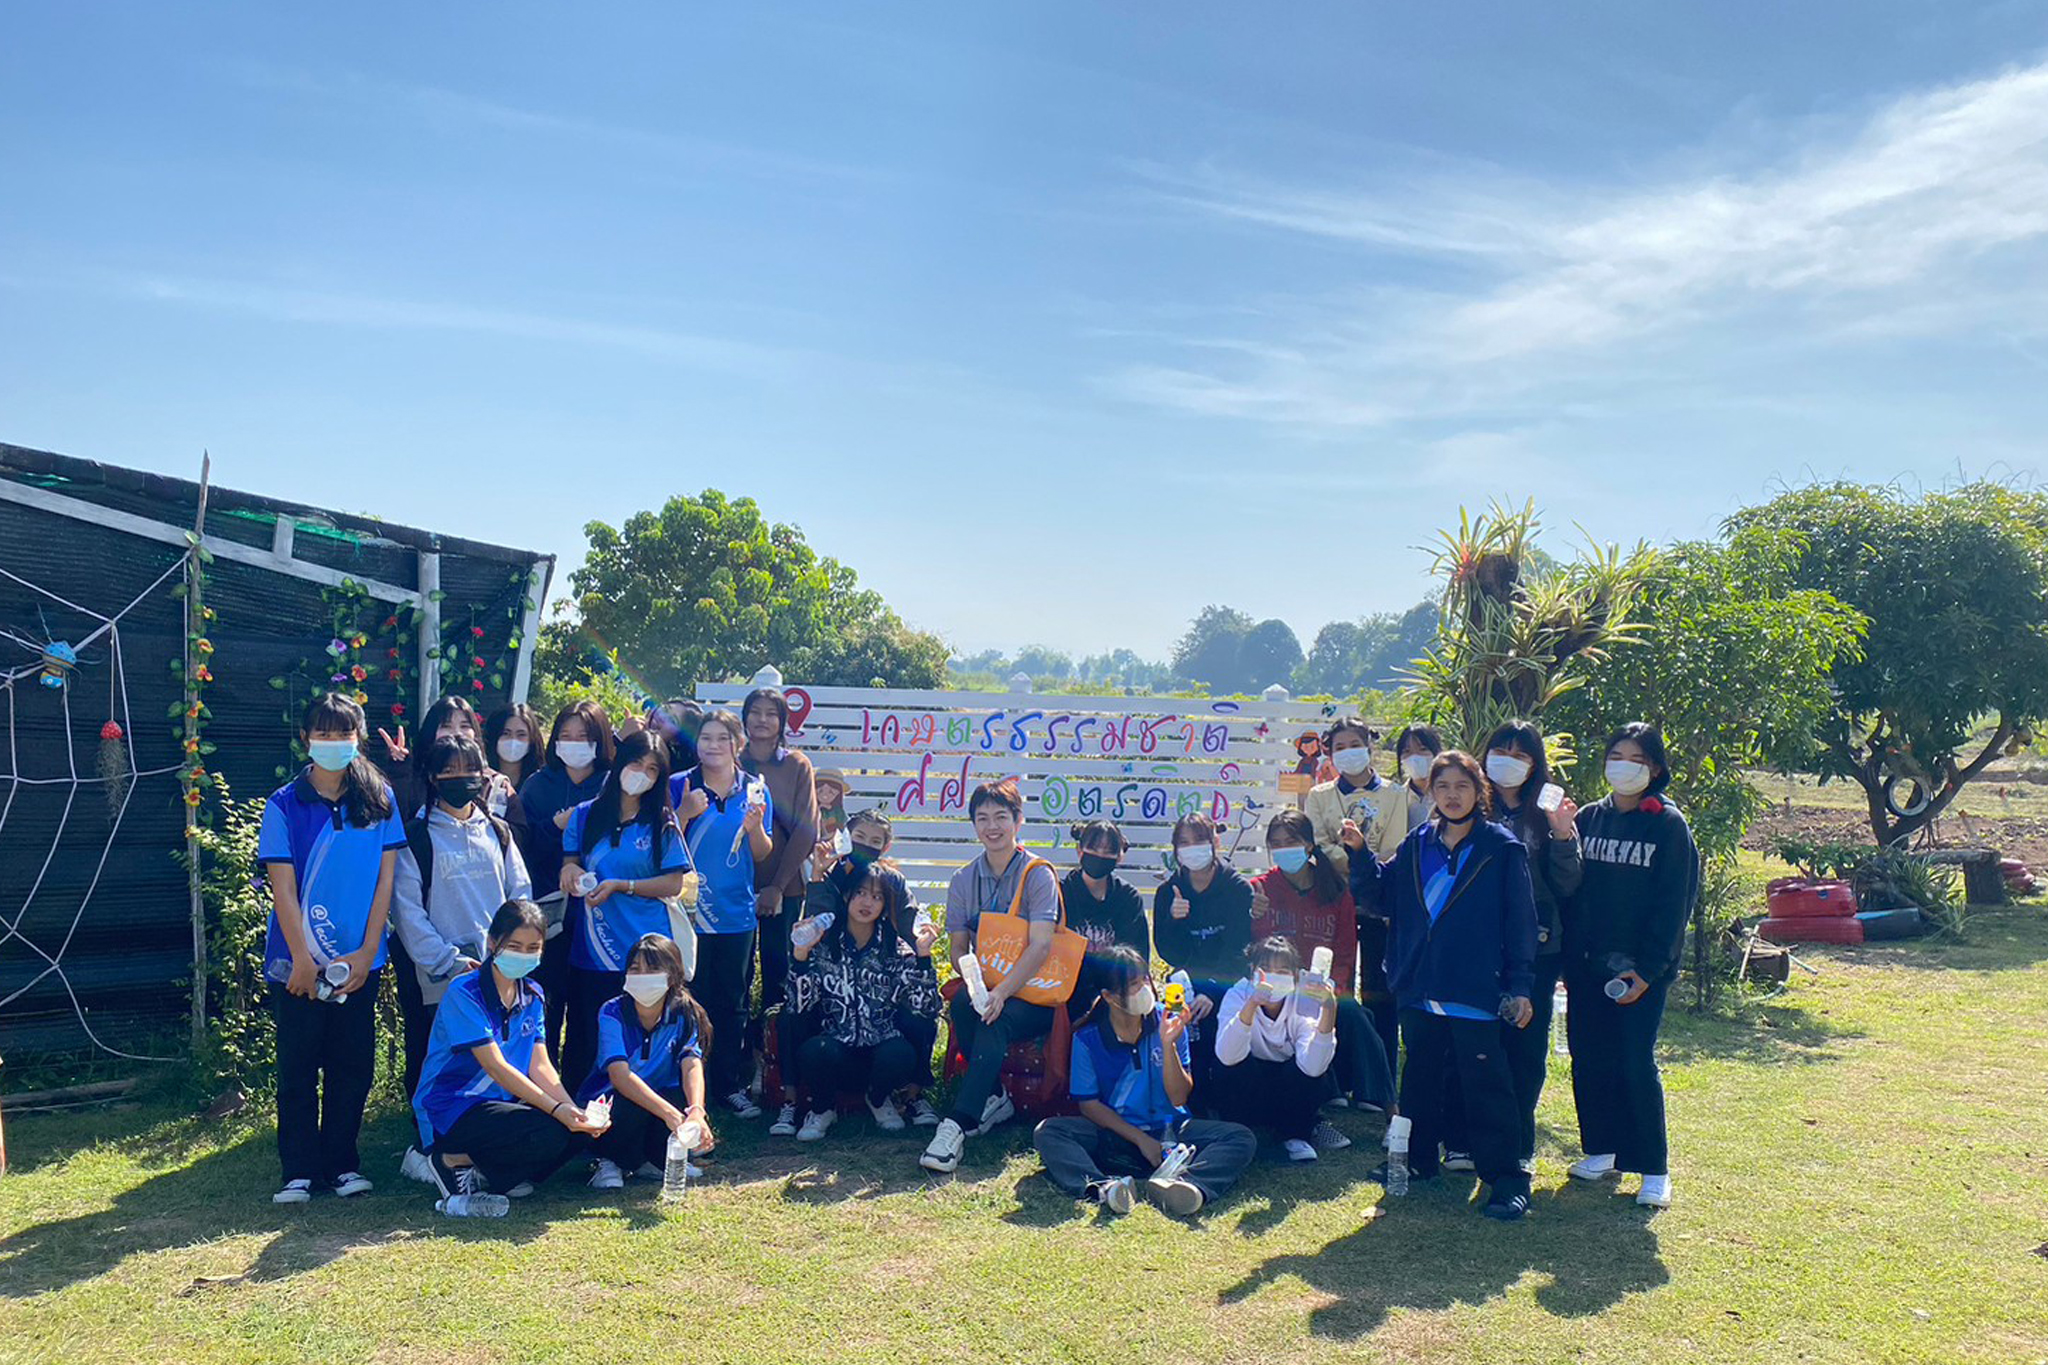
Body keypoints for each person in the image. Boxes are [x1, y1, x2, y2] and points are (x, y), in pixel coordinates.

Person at [1348, 750, 1539, 1221]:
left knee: (1486, 1083)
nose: (1453, 796)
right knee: (1420, 1078)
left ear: (1480, 792)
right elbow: (1376, 895)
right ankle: (1417, 1162)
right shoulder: (1416, 844)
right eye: (1443, 787)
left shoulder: (1501, 849)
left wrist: (1521, 986)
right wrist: (1358, 855)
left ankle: (1506, 1179)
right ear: (1431, 793)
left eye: (1462, 786)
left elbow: (1520, 923)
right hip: (1419, 986)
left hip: (1475, 987)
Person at [258, 692, 405, 1204]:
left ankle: (342, 1165)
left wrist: (368, 952)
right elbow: (283, 888)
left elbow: (385, 883)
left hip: (360, 963)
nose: (334, 742)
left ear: (358, 737)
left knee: (352, 1068)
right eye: (323, 732)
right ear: (305, 738)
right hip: (296, 965)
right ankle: (298, 1171)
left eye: (344, 733)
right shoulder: (283, 804)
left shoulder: (381, 798)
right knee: (298, 1068)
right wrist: (301, 957)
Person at [1564, 722, 1698, 1210]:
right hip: (1587, 966)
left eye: (1635, 759)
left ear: (1655, 769)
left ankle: (1653, 1168)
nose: (1622, 765)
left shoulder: (1667, 825)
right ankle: (1602, 1149)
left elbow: (1674, 904)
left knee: (1634, 1062)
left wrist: (1648, 970)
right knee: (1589, 1057)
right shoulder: (1587, 819)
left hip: (1640, 971)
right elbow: (1573, 891)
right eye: (1615, 755)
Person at [1440, 720, 1581, 1173]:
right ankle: (1460, 1140)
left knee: (1523, 1050)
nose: (1509, 761)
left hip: (1537, 948)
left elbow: (1567, 883)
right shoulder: (1466, 805)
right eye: (1501, 750)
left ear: (1535, 764)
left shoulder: (1547, 812)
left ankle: (1518, 1143)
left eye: (1521, 754)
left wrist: (1563, 834)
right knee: (1468, 1044)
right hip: (1474, 949)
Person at [1031, 945, 1257, 1216]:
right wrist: (1140, 1139)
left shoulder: (1168, 1021)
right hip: (1116, 1135)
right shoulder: (1087, 1039)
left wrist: (1168, 1044)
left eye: (1145, 980)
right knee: (1049, 1132)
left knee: (1240, 1137)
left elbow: (1179, 1098)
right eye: (1134, 985)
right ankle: (1106, 1189)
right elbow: (1089, 1106)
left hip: (1172, 1132)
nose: (1144, 990)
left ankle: (1186, 1187)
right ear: (1110, 997)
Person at [413, 899, 606, 1214]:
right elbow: (496, 1067)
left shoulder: (532, 995)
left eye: (533, 948)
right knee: (551, 1128)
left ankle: (492, 1172)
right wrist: (557, 1109)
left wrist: (573, 1111)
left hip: (500, 1107)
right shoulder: (464, 991)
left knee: (575, 1134)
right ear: (492, 943)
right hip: (451, 1108)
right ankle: (450, 1159)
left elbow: (541, 1065)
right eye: (514, 945)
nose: (523, 954)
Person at [922, 780, 1062, 1174]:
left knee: (996, 1017)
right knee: (965, 1003)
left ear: (1018, 820)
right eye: (982, 818)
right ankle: (995, 1095)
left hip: (1034, 995)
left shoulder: (1037, 874)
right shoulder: (963, 879)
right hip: (988, 987)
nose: (992, 826)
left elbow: (1040, 945)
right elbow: (958, 947)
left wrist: (1001, 992)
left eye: (1001, 816)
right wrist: (978, 986)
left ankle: (957, 1124)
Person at [390, 734, 533, 1099]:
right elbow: (408, 912)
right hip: (441, 975)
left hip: (498, 967)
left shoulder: (497, 832)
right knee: (437, 1056)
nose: (462, 777)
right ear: (433, 778)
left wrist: (510, 954)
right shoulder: (418, 838)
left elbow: (520, 894)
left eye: (470, 768)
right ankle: (429, 1140)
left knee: (495, 1051)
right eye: (450, 770)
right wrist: (447, 961)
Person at [778, 807, 934, 1133]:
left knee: (908, 1036)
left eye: (876, 897)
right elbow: (818, 920)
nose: (867, 902)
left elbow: (908, 922)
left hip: (881, 1036)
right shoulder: (831, 875)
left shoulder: (893, 892)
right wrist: (802, 954)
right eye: (860, 837)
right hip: (837, 1034)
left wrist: (921, 953)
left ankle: (891, 1097)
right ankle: (808, 1105)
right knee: (799, 1027)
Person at [559, 730, 694, 1090]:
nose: (642, 774)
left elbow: (674, 883)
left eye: (652, 770)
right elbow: (570, 861)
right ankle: (578, 1111)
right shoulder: (585, 816)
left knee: (641, 1033)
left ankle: (643, 1107)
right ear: (620, 762)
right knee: (587, 1033)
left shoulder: (663, 823)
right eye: (636, 763)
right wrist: (570, 872)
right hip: (594, 948)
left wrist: (623, 885)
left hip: (646, 951)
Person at [1251, 809, 1390, 1117]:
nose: (1284, 849)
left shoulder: (1336, 892)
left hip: (1320, 988)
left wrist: (1332, 990)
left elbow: (1344, 952)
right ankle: (1330, 1088)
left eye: (1292, 841)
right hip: (1278, 991)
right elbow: (1256, 949)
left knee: (1355, 1013)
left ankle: (1379, 1096)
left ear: (1309, 844)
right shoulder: (1260, 889)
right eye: (1276, 843)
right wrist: (1255, 915)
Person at [671, 709, 775, 1120]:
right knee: (686, 1000)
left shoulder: (755, 790)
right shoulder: (680, 785)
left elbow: (763, 855)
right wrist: (683, 813)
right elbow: (660, 841)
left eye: (721, 738)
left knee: (732, 1002)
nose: (712, 746)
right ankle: (686, 1088)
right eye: (705, 738)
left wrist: (754, 828)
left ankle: (728, 1085)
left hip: (735, 915)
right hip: (687, 912)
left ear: (738, 744)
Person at [1301, 716, 1407, 1081]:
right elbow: (1317, 844)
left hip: (1380, 905)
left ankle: (1380, 1077)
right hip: (1333, 903)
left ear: (1369, 746)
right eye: (1339, 747)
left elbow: (1394, 848)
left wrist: (1355, 857)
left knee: (1380, 991)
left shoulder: (1396, 794)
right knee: (1334, 987)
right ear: (1329, 754)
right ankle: (1337, 1074)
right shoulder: (1319, 796)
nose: (1348, 753)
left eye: (1354, 744)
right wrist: (1360, 856)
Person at [578, 933, 715, 1189]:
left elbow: (691, 1062)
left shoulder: (685, 1012)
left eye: (653, 968)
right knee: (629, 1105)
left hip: (660, 1099)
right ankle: (607, 1160)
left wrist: (696, 1110)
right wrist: (670, 1114)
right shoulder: (612, 1011)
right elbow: (619, 1076)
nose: (642, 975)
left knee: (682, 1100)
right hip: (613, 1103)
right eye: (635, 969)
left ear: (673, 975)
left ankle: (649, 1161)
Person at [517, 700, 613, 1058]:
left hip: (601, 912)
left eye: (583, 736)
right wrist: (555, 826)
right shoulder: (539, 785)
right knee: (547, 1001)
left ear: (600, 740)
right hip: (549, 912)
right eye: (565, 736)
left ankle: (584, 1086)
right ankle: (542, 1083)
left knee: (592, 1006)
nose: (573, 743)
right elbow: (521, 845)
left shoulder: (612, 784)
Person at [1151, 812, 1253, 1103]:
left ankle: (1225, 1101)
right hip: (1185, 982)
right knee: (1180, 1024)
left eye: (1199, 840)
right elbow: (1169, 953)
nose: (1192, 847)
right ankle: (1187, 1100)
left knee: (1217, 1023)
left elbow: (1239, 949)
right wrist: (1174, 920)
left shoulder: (1237, 889)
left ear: (1215, 842)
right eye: (1184, 842)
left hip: (1229, 981)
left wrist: (1211, 991)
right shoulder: (1167, 893)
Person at [1212, 936, 1341, 1161]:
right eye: (1265, 969)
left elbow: (1314, 1066)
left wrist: (1329, 1009)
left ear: (1295, 976)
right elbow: (1227, 1055)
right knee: (1229, 1065)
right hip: (1249, 1083)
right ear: (1252, 971)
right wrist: (1251, 1005)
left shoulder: (1304, 1000)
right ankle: (1240, 1131)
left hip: (1288, 1084)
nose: (1273, 977)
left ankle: (1295, 1134)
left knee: (1309, 1072)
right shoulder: (1238, 994)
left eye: (1282, 971)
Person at [740, 687, 820, 1042]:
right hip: (733, 887)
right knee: (735, 971)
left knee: (777, 966)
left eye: (771, 714)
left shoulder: (796, 765)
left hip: (783, 888)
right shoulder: (730, 760)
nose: (762, 720)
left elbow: (807, 830)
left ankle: (774, 1051)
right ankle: (736, 1049)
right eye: (755, 712)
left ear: (783, 722)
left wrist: (776, 885)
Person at [1060, 819, 1151, 1018]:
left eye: (1108, 851)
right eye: (1093, 848)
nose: (1100, 856)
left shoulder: (1128, 897)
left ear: (1119, 857)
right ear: (1079, 850)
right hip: (1067, 991)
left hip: (1115, 993)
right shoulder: (1061, 892)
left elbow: (1137, 957)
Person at [483, 702, 549, 829]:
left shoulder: (540, 783)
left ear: (532, 739)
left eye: (521, 735)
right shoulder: (482, 779)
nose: (513, 741)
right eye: (505, 733)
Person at [1392, 724, 1444, 831]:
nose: (1414, 757)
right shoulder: (1396, 797)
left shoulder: (1448, 793)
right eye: (1407, 751)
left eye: (1423, 749)